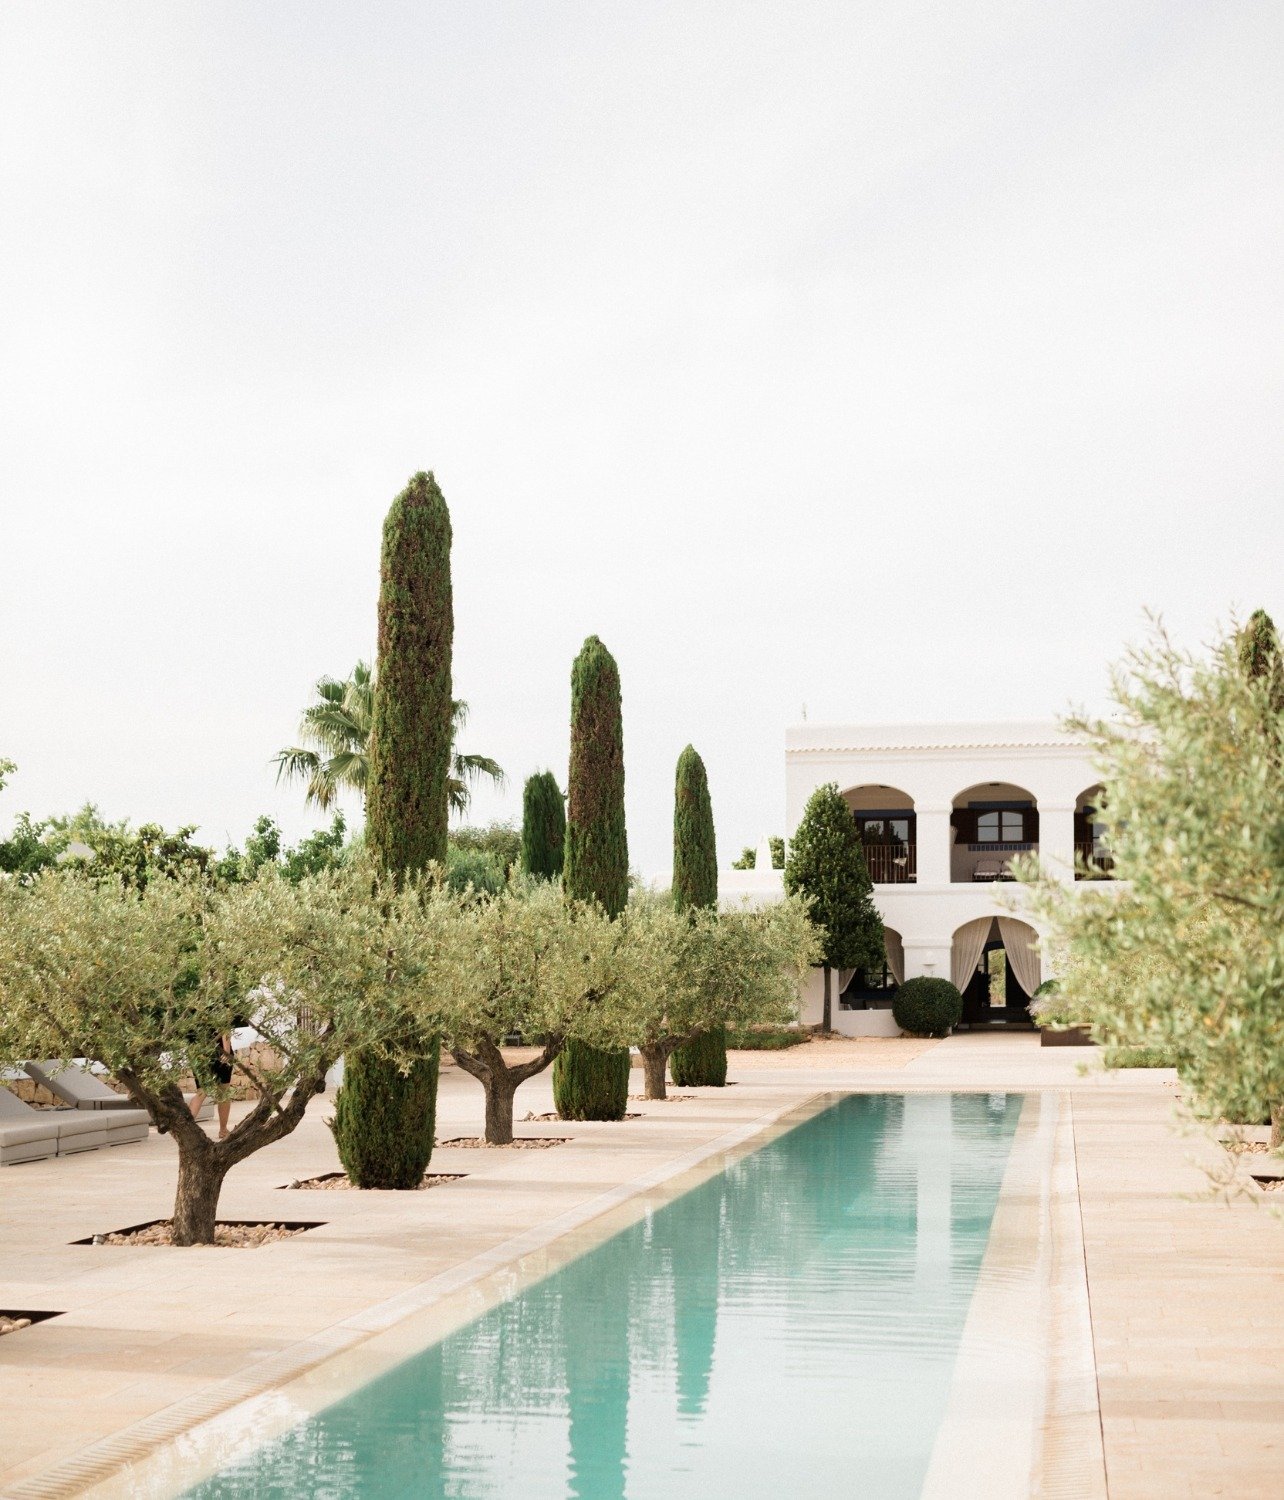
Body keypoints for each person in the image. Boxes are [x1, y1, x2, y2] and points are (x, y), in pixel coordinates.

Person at [188, 1031, 234, 1140]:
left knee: (201, 1091)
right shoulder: (220, 1013)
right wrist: (226, 1050)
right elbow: (224, 1026)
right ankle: (223, 1130)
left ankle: (186, 1129)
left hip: (196, 1050)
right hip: (218, 1050)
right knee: (223, 1091)